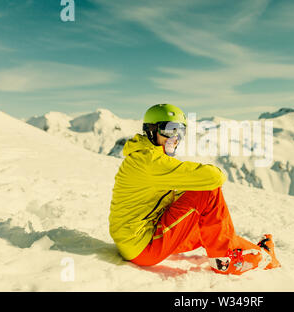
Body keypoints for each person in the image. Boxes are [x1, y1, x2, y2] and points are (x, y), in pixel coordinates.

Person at [109, 103, 280, 275]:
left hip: (135, 241)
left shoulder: (144, 156)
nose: (175, 138)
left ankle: (262, 255)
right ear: (151, 130)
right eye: (170, 130)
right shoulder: (151, 162)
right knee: (207, 192)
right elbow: (215, 177)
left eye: (180, 131)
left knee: (208, 231)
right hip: (143, 247)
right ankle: (225, 260)